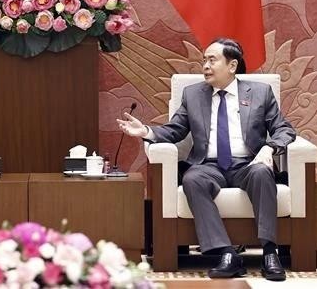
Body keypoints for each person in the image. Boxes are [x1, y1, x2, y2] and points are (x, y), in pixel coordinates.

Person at [118, 38, 295, 281]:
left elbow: (284, 129)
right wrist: (147, 132)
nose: (205, 66)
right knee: (192, 179)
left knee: (263, 172)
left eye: (212, 60)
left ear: (232, 66)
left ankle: (269, 252)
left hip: (248, 164)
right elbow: (175, 130)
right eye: (204, 60)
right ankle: (227, 253)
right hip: (208, 166)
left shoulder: (260, 93)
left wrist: (269, 149)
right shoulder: (193, 95)